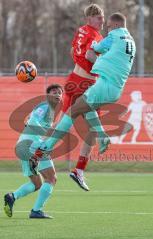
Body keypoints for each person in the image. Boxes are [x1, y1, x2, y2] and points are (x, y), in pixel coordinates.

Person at [31, 12, 136, 184]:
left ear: (115, 26)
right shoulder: (131, 41)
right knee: (86, 115)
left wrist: (94, 48)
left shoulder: (108, 35)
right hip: (113, 88)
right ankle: (78, 161)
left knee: (72, 114)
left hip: (99, 84)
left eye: (109, 26)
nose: (107, 28)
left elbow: (91, 49)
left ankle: (44, 150)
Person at [62, 3, 105, 191]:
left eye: (103, 17)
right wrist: (104, 66)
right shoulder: (95, 35)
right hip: (85, 84)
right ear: (90, 19)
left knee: (62, 125)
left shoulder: (81, 30)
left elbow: (73, 52)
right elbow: (89, 54)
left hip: (73, 79)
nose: (102, 20)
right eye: (98, 17)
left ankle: (36, 153)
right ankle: (79, 170)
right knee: (94, 130)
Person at [4, 84, 63, 219]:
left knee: (37, 183)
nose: (57, 94)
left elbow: (30, 119)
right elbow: (34, 120)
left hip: (22, 146)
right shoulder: (45, 106)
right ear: (48, 95)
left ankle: (12, 196)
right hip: (34, 145)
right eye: (54, 92)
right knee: (51, 178)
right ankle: (36, 211)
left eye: (60, 92)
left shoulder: (49, 110)